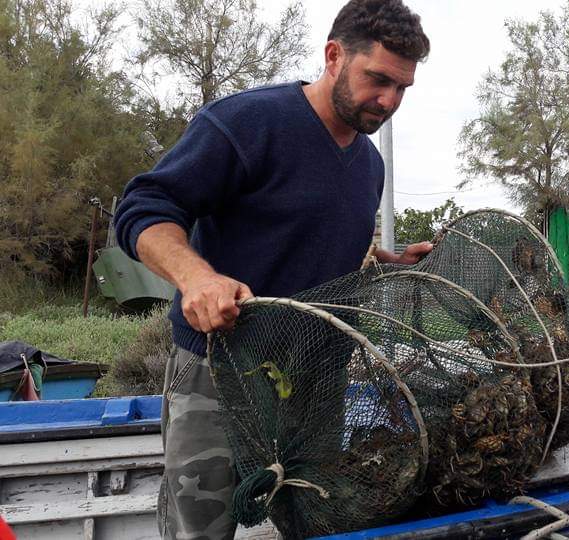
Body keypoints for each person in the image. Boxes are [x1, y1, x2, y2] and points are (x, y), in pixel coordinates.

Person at [114, 1, 431, 537]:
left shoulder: (370, 165)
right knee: (201, 526)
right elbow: (145, 208)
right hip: (220, 370)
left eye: (402, 88)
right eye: (378, 79)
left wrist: (390, 260)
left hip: (315, 384)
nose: (389, 100)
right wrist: (197, 278)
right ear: (334, 56)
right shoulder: (247, 122)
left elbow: (322, 237)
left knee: (313, 522)